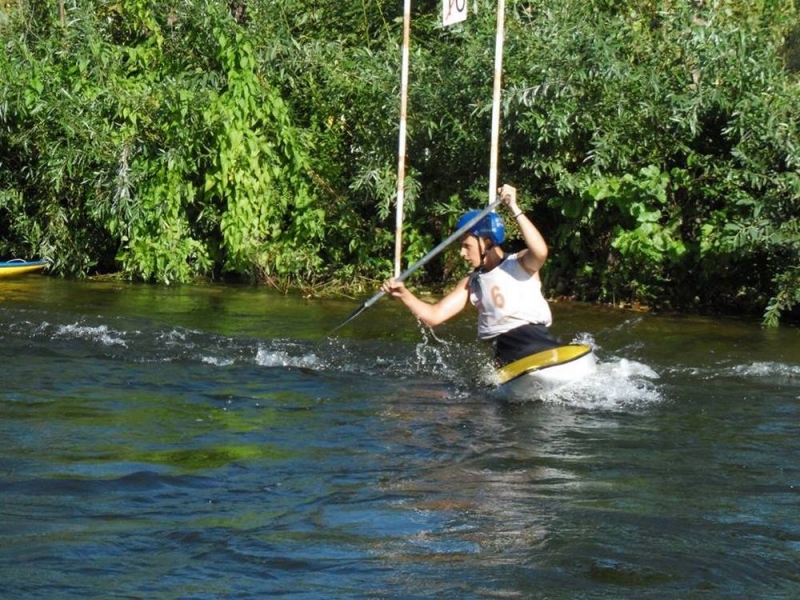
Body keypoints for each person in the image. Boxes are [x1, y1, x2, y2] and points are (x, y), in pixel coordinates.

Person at [381, 184, 561, 367]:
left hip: (539, 345)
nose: (462, 253)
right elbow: (433, 316)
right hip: (506, 357)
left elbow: (540, 252)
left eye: (466, 246)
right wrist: (404, 295)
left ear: (487, 242)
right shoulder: (472, 282)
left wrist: (513, 207)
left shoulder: (521, 262)